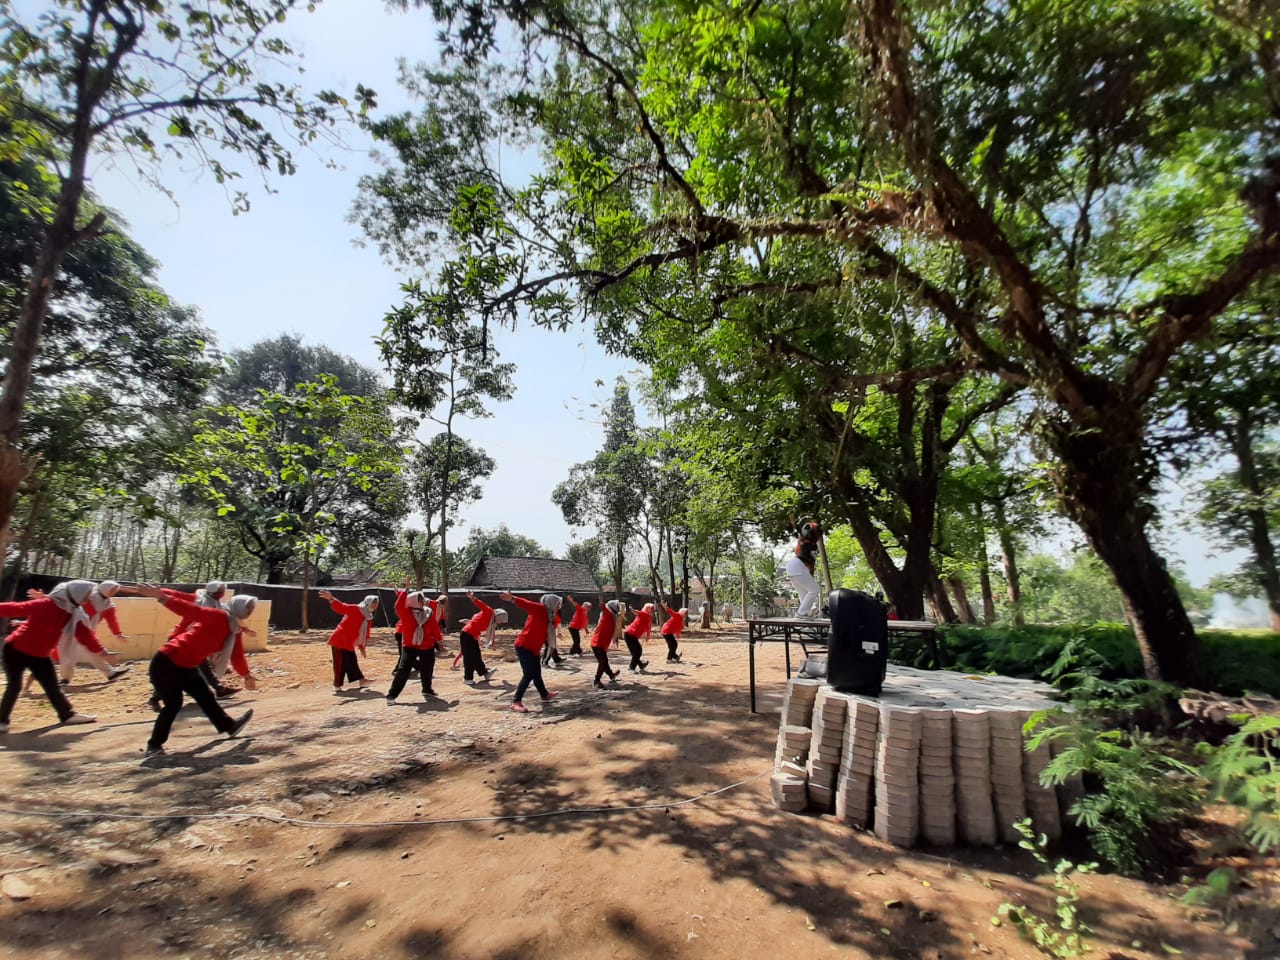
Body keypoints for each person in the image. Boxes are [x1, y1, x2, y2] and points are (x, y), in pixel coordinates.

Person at [124, 584, 257, 758]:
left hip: (188, 665)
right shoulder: (217, 616)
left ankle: (228, 726)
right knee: (174, 703)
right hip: (167, 662)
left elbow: (237, 655)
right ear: (238, 606)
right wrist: (161, 596)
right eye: (248, 607)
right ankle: (154, 745)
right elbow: (189, 610)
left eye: (252, 608)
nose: (250, 611)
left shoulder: (234, 629)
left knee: (206, 696)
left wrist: (246, 675)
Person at [0, 580, 99, 732]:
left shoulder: (72, 613)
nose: (88, 598)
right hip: (15, 650)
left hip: (40, 655)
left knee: (52, 687)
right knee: (14, 685)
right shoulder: (45, 604)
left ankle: (67, 715)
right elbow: (16, 608)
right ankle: (2, 721)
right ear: (76, 594)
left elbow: (84, 634)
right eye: (87, 595)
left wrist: (100, 650)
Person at [57, 580, 131, 684]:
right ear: (105, 589)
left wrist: (117, 633)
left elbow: (112, 620)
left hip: (88, 629)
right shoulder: (88, 595)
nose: (114, 592)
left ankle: (110, 674)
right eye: (112, 589)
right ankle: (65, 678)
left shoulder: (108, 604)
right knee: (68, 653)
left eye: (116, 590)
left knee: (92, 652)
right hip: (72, 626)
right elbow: (68, 598)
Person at [500, 591, 560, 713]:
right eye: (557, 604)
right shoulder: (540, 609)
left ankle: (544, 695)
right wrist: (512, 598)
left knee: (536, 673)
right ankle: (515, 701)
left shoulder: (550, 616)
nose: (559, 606)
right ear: (551, 603)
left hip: (533, 648)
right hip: (524, 646)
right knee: (529, 674)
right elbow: (527, 604)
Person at [387, 582, 443, 704]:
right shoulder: (406, 612)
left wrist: (439, 641)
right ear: (414, 601)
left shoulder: (428, 612)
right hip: (410, 645)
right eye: (420, 599)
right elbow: (398, 605)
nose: (423, 601)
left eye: (422, 599)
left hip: (427, 645)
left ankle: (427, 690)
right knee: (403, 670)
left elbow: (434, 627)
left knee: (427, 668)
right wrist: (406, 589)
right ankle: (392, 695)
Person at [318, 589, 377, 693]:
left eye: (376, 604)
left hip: (349, 642)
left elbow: (365, 634)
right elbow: (341, 607)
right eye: (373, 603)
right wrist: (331, 598)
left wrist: (362, 647)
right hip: (340, 639)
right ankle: (336, 685)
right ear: (368, 602)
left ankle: (362, 681)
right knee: (340, 663)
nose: (375, 606)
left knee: (352, 661)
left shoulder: (368, 616)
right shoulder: (356, 609)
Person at [457, 591, 497, 685]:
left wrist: (492, 642)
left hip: (472, 635)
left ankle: (484, 673)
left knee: (476, 655)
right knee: (469, 657)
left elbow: (478, 625)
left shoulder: (491, 622)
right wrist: (473, 598)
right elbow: (481, 605)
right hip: (467, 634)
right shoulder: (489, 612)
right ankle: (468, 678)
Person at [786, 520, 822, 617]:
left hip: (792, 567)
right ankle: (801, 613)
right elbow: (810, 564)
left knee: (805, 593)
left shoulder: (802, 540)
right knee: (814, 589)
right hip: (798, 566)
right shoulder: (810, 544)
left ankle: (806, 613)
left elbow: (800, 530)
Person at [589, 599, 623, 688]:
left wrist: (615, 638)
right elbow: (604, 609)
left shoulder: (611, 617)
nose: (619, 609)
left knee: (605, 661)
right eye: (617, 607)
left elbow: (612, 630)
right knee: (602, 662)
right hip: (597, 642)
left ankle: (611, 675)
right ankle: (596, 681)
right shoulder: (608, 614)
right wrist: (603, 605)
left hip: (600, 643)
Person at [622, 601, 653, 673]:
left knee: (635, 652)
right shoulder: (644, 614)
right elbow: (637, 612)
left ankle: (641, 665)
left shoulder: (648, 616)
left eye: (653, 608)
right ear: (647, 608)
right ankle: (631, 668)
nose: (653, 610)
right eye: (651, 608)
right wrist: (632, 609)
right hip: (629, 634)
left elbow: (649, 627)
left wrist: (648, 636)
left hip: (632, 635)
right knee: (638, 652)